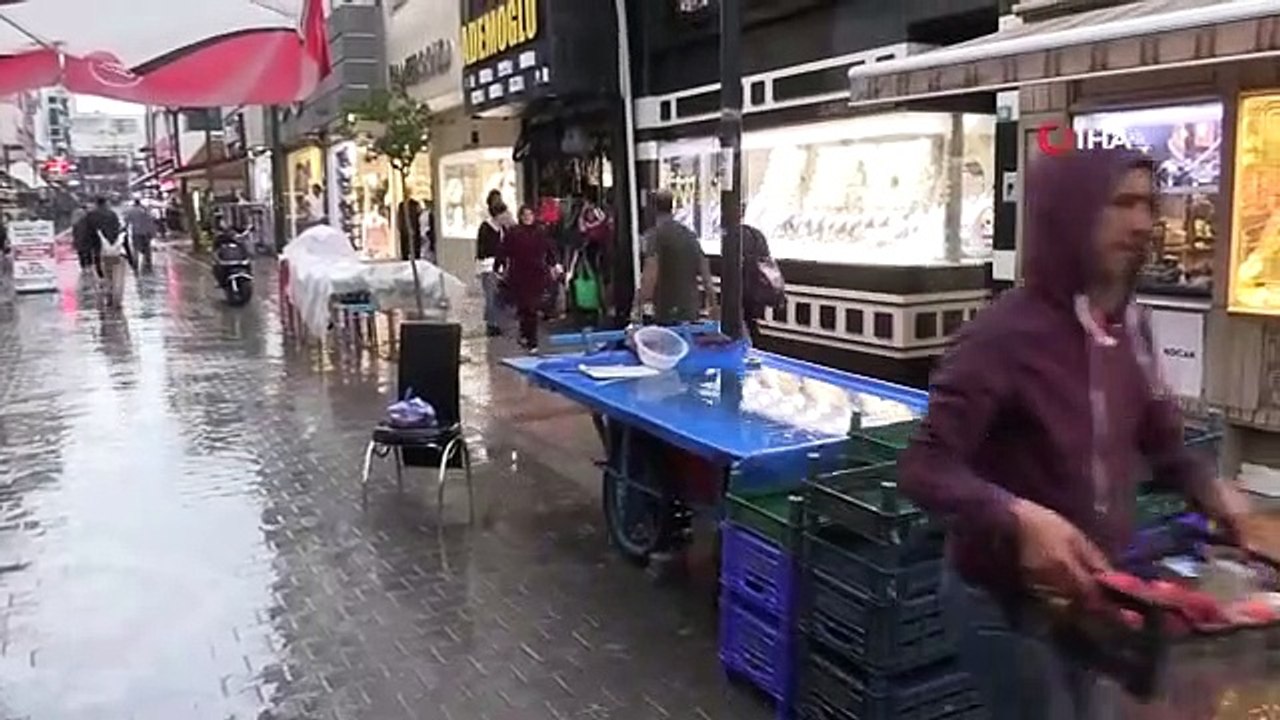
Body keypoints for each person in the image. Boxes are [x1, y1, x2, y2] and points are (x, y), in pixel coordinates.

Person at [898, 149, 1248, 719]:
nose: (1142, 223)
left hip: (1095, 596)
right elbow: (924, 467)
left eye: (1149, 205)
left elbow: (1160, 443)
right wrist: (1017, 515)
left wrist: (1206, 486)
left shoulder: (1130, 325)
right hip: (1006, 603)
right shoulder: (1003, 336)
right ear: (1070, 215)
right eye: (1121, 204)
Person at [638, 189, 716, 324]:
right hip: (690, 309)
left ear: (653, 210)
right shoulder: (689, 235)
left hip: (666, 309)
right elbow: (706, 275)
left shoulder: (655, 236)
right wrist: (713, 305)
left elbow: (650, 275)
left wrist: (638, 305)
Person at [497, 205, 557, 353]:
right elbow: (504, 250)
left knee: (531, 307)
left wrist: (554, 264)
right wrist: (499, 265)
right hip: (519, 274)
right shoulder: (514, 233)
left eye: (530, 214)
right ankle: (526, 335)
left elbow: (549, 250)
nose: (527, 217)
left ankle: (532, 341)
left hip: (536, 274)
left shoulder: (540, 232)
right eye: (525, 215)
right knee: (524, 307)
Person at [742, 220, 784, 345]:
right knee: (750, 322)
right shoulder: (755, 234)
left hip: (746, 292)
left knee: (744, 323)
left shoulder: (738, 235)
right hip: (757, 294)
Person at [86, 197, 131, 306]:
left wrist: (85, 252)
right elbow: (118, 232)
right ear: (106, 203)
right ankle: (114, 297)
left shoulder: (90, 216)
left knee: (102, 274)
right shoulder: (112, 214)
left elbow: (87, 234)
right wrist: (129, 256)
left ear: (96, 203)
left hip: (97, 250)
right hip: (113, 249)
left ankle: (106, 292)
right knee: (115, 274)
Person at [476, 201, 506, 337]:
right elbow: (482, 249)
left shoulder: (502, 229)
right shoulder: (486, 227)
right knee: (491, 296)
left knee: (497, 296)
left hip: (498, 266)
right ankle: (491, 324)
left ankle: (494, 321)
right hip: (488, 266)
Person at [123, 198, 158, 272]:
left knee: (136, 249)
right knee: (147, 249)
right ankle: (148, 264)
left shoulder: (130, 211)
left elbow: (126, 221)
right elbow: (151, 221)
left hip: (136, 232)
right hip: (146, 232)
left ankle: (135, 265)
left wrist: (124, 229)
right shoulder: (145, 210)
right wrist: (152, 233)